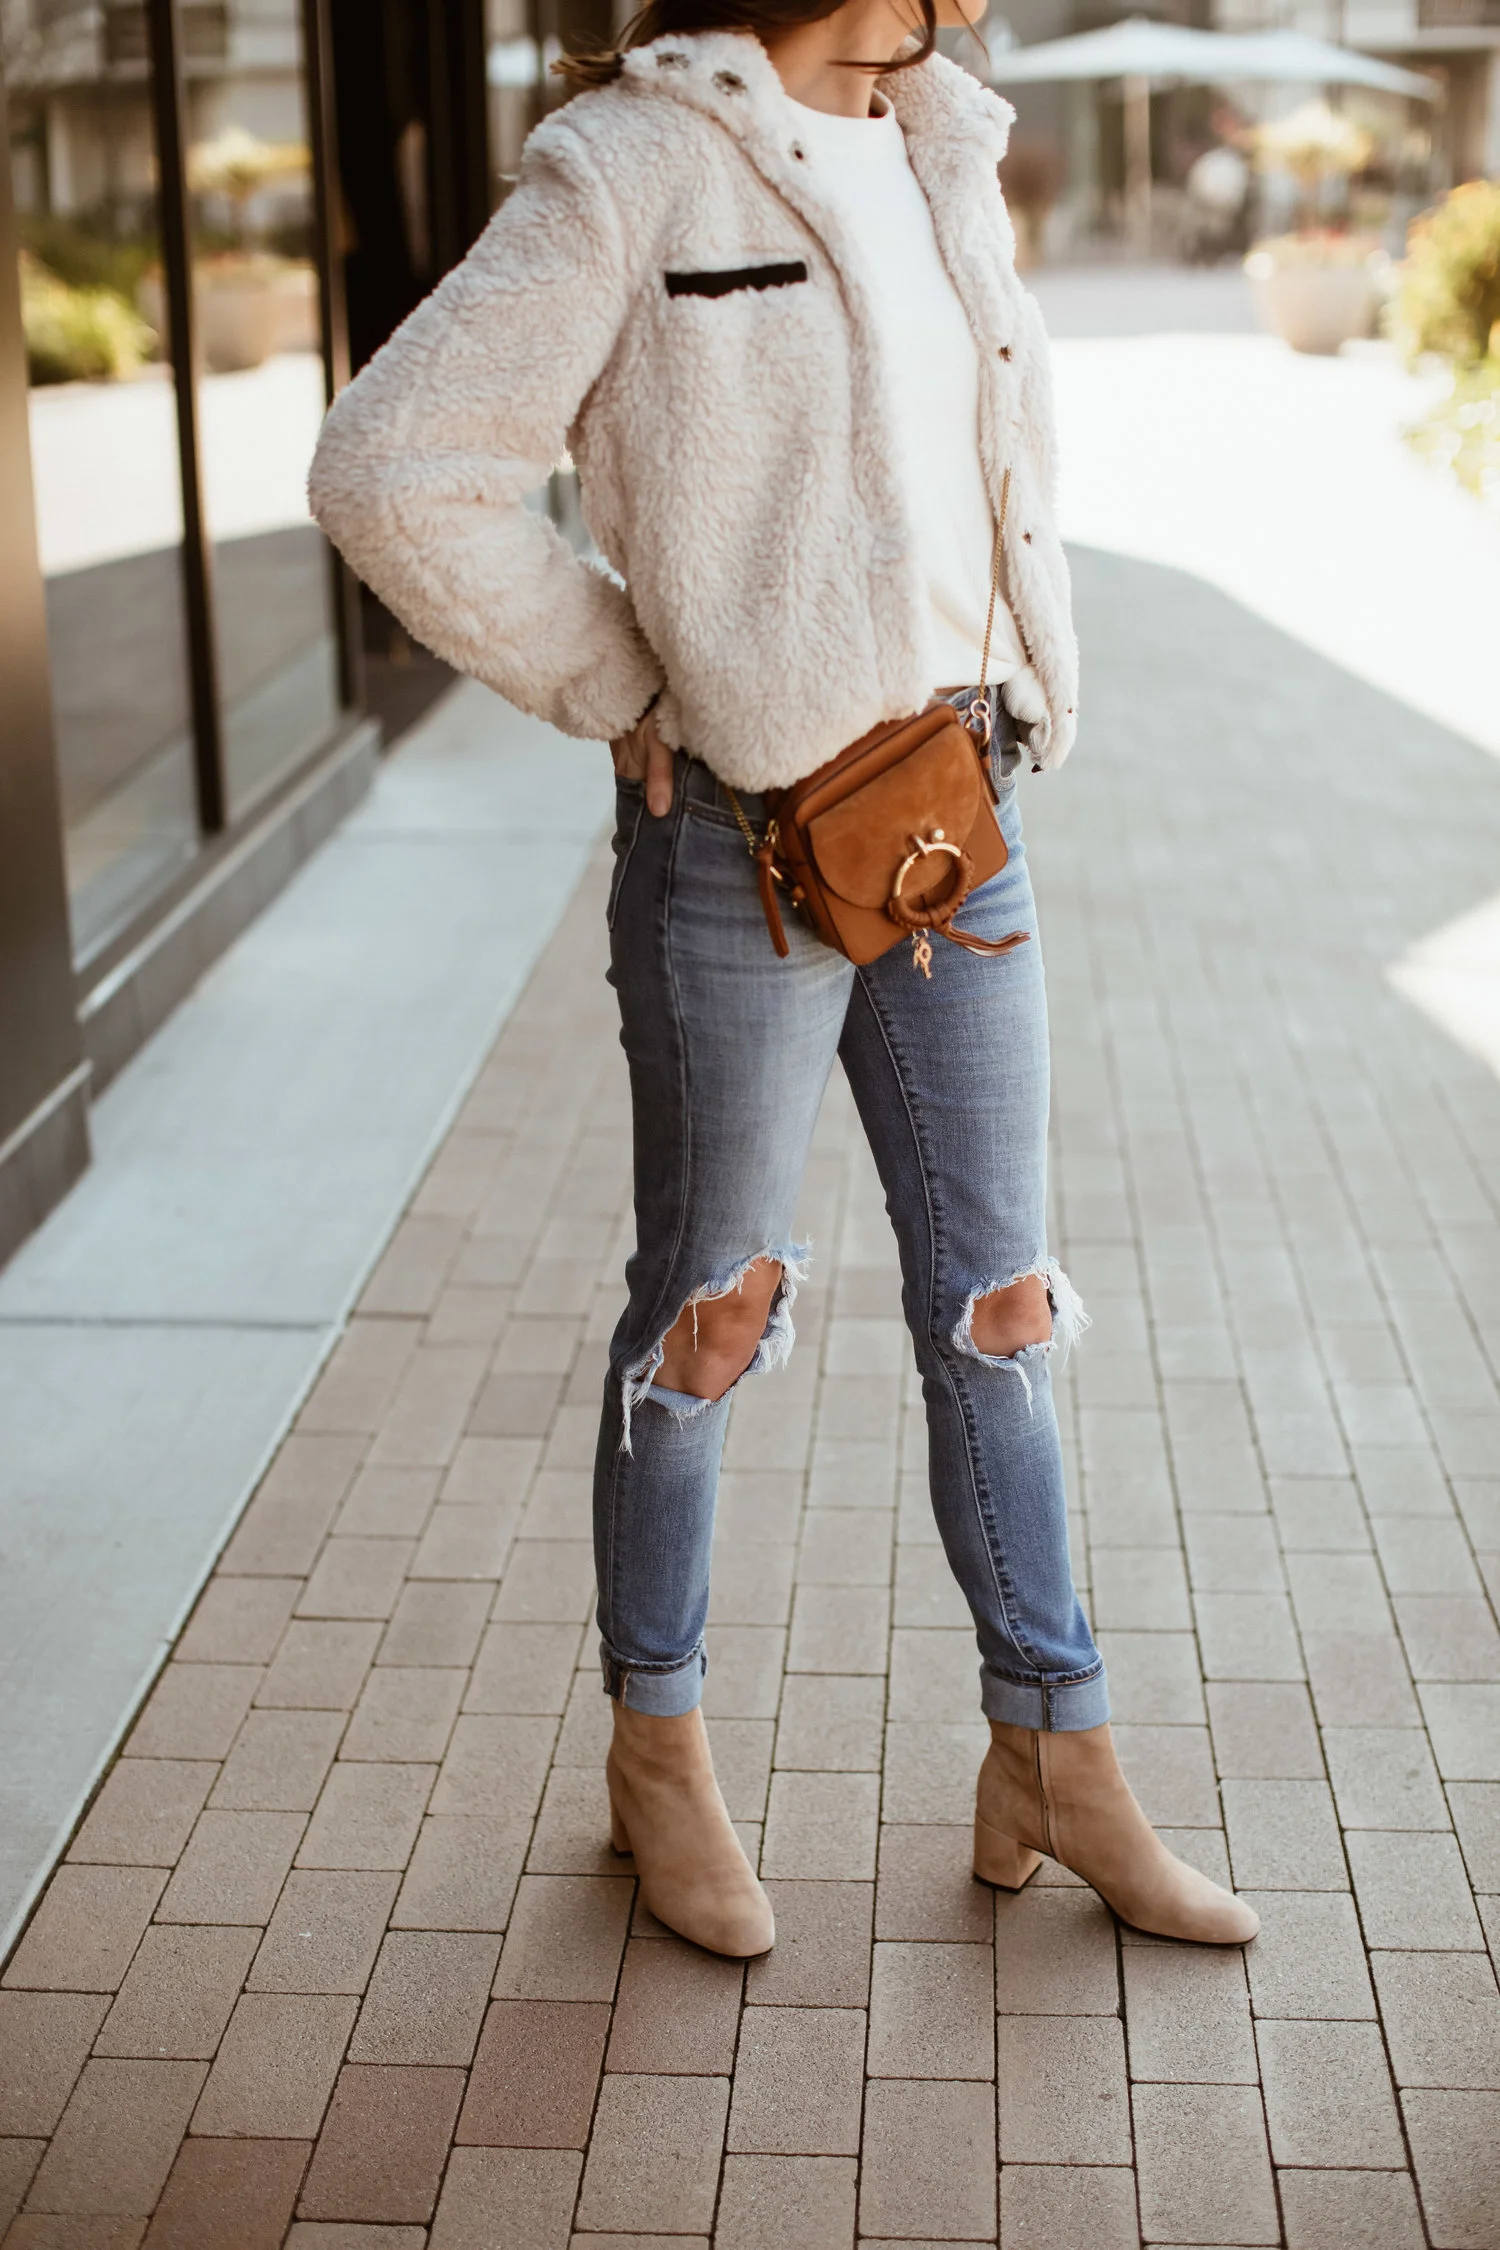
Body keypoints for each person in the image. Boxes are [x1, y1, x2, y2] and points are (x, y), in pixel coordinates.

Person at [309, 0, 1258, 1959]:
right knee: (709, 1310)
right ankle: (656, 1750)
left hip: (956, 815)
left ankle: (1055, 1749)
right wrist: (624, 675)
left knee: (1000, 1304)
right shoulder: (633, 163)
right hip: (738, 846)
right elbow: (392, 463)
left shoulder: (944, 136)